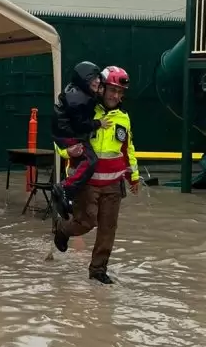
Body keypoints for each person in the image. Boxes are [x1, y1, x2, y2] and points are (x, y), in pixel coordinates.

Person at [53, 66, 139, 285]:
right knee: (85, 222)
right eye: (112, 90)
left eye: (120, 92)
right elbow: (62, 137)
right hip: (87, 183)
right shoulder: (85, 109)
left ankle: (98, 270)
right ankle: (63, 229)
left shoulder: (124, 118)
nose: (116, 96)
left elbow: (128, 149)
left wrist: (134, 176)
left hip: (113, 185)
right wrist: (66, 152)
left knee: (108, 228)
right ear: (101, 88)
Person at [50, 61, 108, 220]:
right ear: (84, 79)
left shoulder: (76, 92)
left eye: (99, 78)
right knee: (90, 160)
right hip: (69, 139)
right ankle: (64, 188)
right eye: (93, 78)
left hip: (65, 136)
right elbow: (81, 124)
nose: (97, 81)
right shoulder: (81, 99)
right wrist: (98, 124)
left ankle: (65, 197)